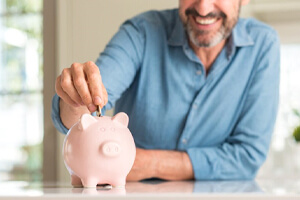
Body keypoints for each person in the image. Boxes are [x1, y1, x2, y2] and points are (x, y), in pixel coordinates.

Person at [52, 0, 280, 181]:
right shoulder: (141, 32)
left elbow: (246, 158)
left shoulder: (263, 45)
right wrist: (76, 96)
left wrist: (147, 163)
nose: (203, 7)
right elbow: (82, 113)